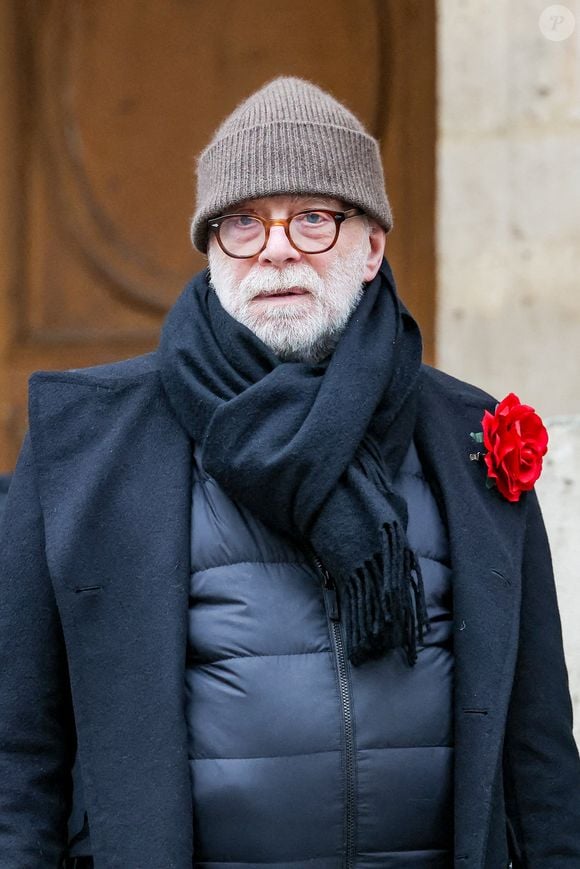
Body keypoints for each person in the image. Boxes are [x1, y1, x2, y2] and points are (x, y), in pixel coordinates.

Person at [0, 76, 578, 869]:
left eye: (312, 218)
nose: (274, 247)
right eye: (243, 221)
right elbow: (18, 757)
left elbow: (541, 759)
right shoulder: (87, 441)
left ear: (372, 245)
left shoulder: (471, 437)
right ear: (211, 248)